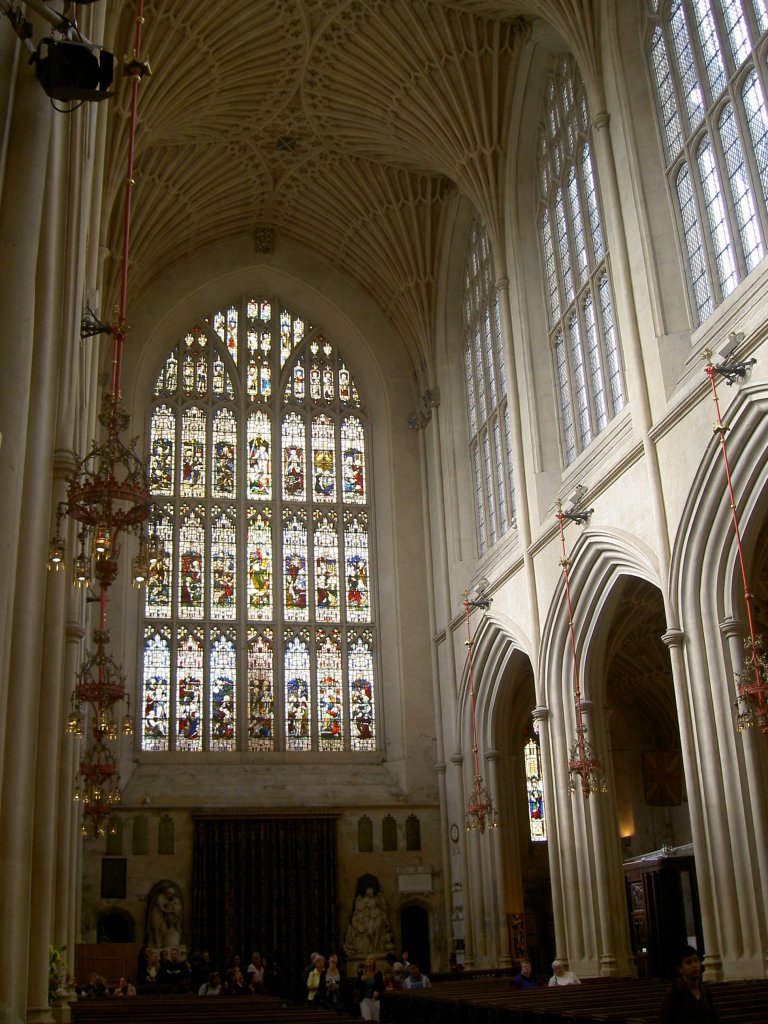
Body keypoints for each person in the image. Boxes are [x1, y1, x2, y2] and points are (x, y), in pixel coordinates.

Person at [659, 946, 720, 1024]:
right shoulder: (674, 992)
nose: (694, 965)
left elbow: (714, 1018)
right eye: (689, 962)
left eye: (696, 961)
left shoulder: (705, 990)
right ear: (679, 969)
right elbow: (665, 1020)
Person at [355, 955, 385, 1022]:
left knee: (375, 1020)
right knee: (367, 1020)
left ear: (374, 962)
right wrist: (361, 979)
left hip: (374, 1000)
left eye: (371, 959)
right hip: (364, 1000)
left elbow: (382, 987)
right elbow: (357, 986)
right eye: (367, 959)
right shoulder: (362, 972)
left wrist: (377, 991)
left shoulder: (378, 973)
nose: (369, 961)